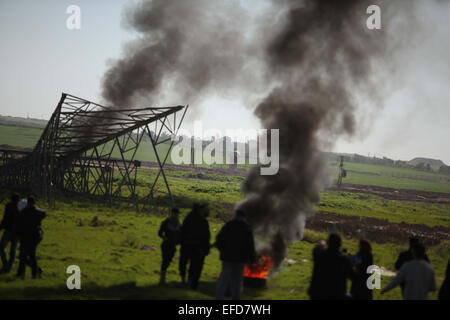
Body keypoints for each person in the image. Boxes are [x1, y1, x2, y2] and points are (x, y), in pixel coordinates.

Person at [215, 209, 256, 300]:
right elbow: (250, 246)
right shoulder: (247, 228)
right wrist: (252, 261)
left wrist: (223, 251)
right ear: (243, 217)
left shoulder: (228, 225)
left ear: (235, 215)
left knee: (223, 281)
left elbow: (218, 240)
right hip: (240, 260)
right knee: (237, 283)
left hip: (227, 258)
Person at [308, 233, 353, 300]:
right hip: (337, 296)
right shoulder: (344, 260)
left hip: (318, 294)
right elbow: (353, 276)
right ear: (340, 244)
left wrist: (323, 243)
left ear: (328, 243)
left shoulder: (320, 256)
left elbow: (317, 248)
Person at [179, 203, 211, 290]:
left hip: (186, 245)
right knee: (195, 267)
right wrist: (206, 248)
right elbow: (205, 236)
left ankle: (184, 281)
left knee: (184, 264)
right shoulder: (203, 221)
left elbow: (182, 232)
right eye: (207, 209)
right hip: (197, 248)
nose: (208, 211)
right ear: (201, 209)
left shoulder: (188, 218)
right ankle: (191, 284)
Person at [16, 196, 46, 279]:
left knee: (23, 255)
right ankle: (34, 274)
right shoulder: (38, 212)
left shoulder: (23, 212)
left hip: (25, 236)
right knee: (32, 255)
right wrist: (36, 207)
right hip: (35, 235)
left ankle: (21, 274)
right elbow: (44, 213)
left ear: (27, 203)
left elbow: (19, 224)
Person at [158, 207, 181, 285]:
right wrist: (164, 238)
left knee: (169, 261)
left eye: (177, 214)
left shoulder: (178, 223)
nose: (176, 215)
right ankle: (162, 280)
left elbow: (180, 233)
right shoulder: (166, 222)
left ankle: (162, 278)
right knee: (165, 261)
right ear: (171, 213)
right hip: (166, 245)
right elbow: (159, 233)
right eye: (175, 213)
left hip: (173, 246)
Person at [0, 193, 20, 273]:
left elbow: (5, 219)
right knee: (13, 250)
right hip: (16, 232)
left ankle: (5, 263)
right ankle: (10, 266)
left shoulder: (8, 206)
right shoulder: (20, 208)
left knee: (1, 248)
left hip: (8, 230)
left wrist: (1, 227)